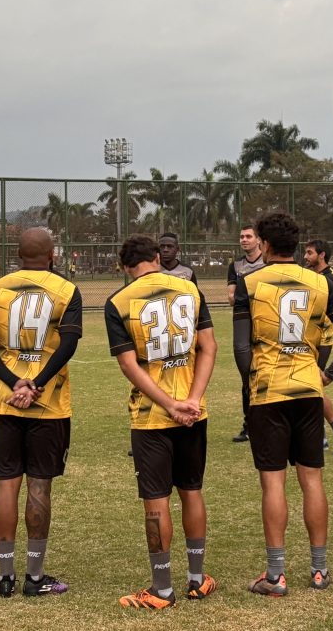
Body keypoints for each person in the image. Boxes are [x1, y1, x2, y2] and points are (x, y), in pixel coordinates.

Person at [234, 212, 333, 596]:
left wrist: (251, 381)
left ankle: (275, 576)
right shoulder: (321, 282)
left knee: (273, 483)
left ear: (266, 245)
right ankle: (319, 571)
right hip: (308, 390)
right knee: (312, 480)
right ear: (295, 244)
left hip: (268, 392)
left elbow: (242, 346)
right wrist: (329, 374)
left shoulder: (249, 282)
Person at [107, 234, 217, 609]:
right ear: (156, 257)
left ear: (125, 267)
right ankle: (197, 580)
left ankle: (161, 590)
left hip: (151, 416)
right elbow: (209, 347)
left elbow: (128, 364)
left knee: (156, 502)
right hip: (193, 413)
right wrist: (193, 400)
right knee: (192, 491)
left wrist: (169, 404)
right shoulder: (190, 289)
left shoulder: (118, 302)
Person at [0, 228, 81, 599]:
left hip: (6, 399)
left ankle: (5, 576)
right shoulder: (66, 289)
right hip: (48, 403)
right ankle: (34, 578)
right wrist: (36, 383)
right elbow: (67, 345)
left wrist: (15, 381)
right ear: (52, 254)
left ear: (18, 255)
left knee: (7, 484)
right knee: (39, 485)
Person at [303, 239, 333, 457]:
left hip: (321, 343)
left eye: (309, 252)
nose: (305, 256)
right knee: (310, 391)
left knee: (315, 390)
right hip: (310, 342)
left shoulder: (330, 278)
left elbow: (327, 312)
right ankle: (320, 437)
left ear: (321, 255)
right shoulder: (312, 276)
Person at [227, 224, 264, 443]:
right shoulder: (236, 266)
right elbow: (232, 297)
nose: (244, 240)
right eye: (241, 236)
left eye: (249, 236)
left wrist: (246, 291)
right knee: (246, 377)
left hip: (264, 322)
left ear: (259, 240)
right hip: (243, 322)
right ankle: (248, 425)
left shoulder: (268, 263)